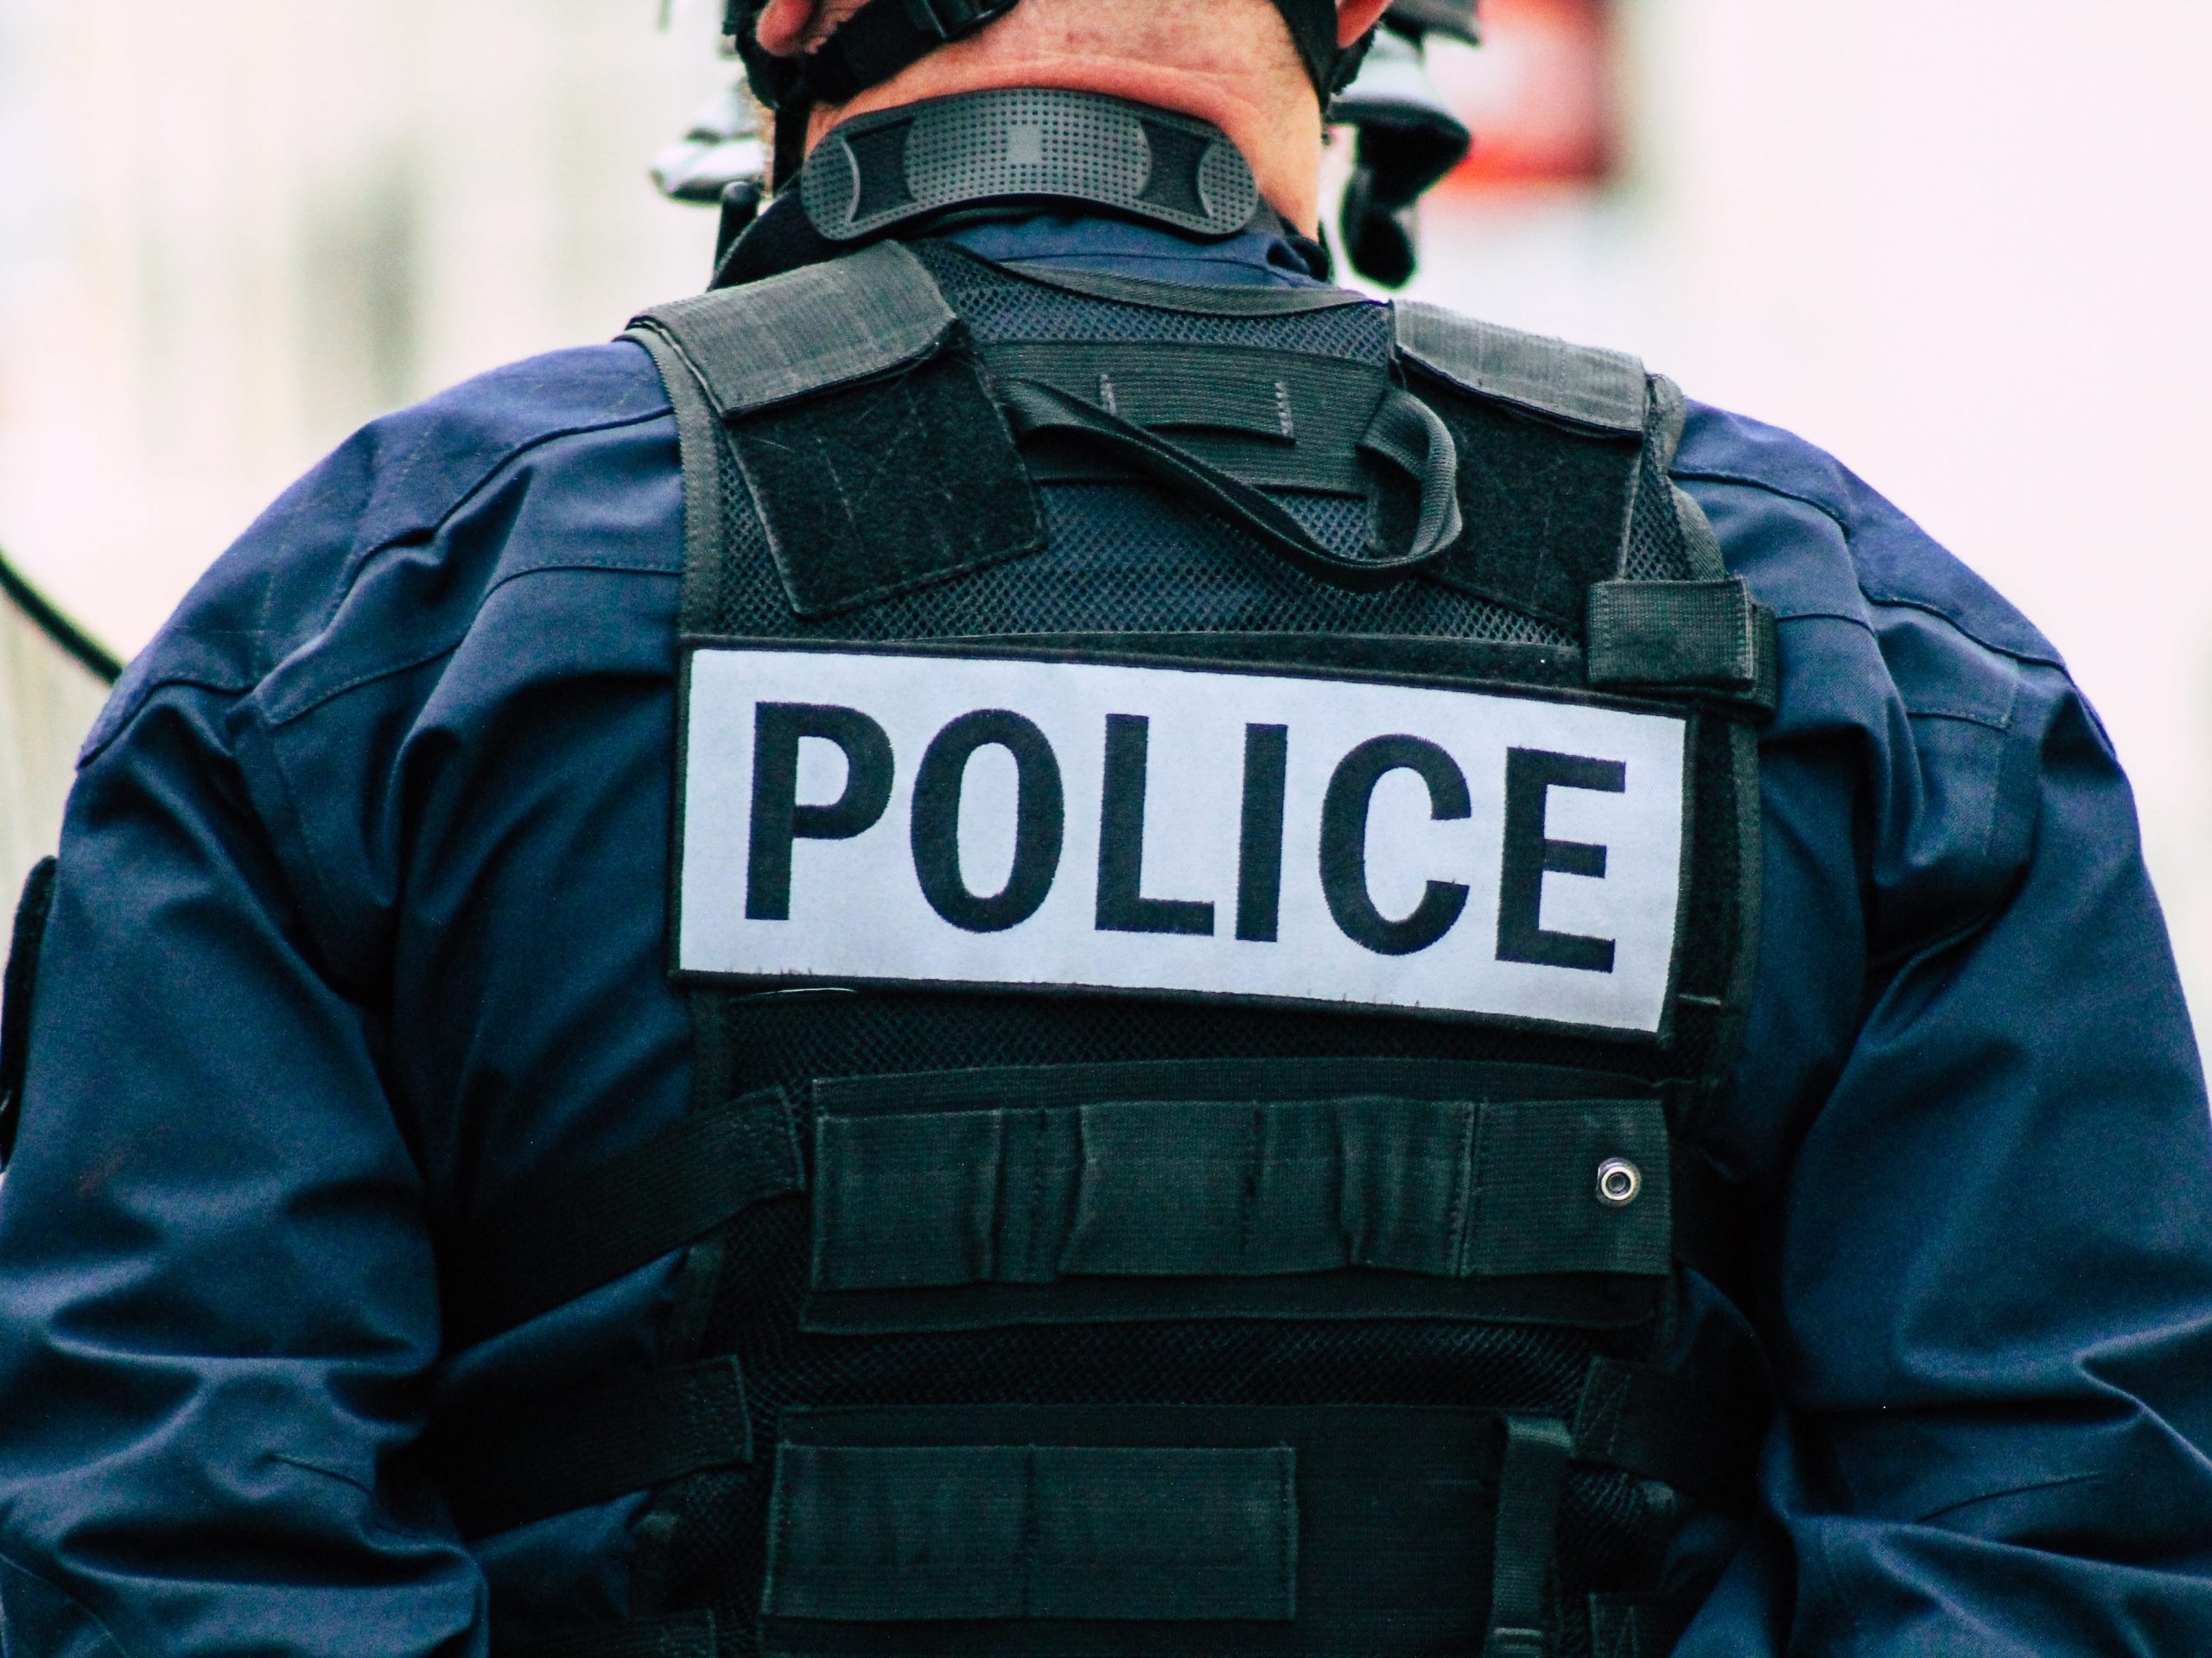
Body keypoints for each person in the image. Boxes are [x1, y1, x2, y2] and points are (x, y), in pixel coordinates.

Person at [0, 0, 2207, 1653]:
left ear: (781, 20)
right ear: (1351, 22)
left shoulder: (389, 615)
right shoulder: (1850, 642)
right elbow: (2048, 1535)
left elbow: (168, 1528)